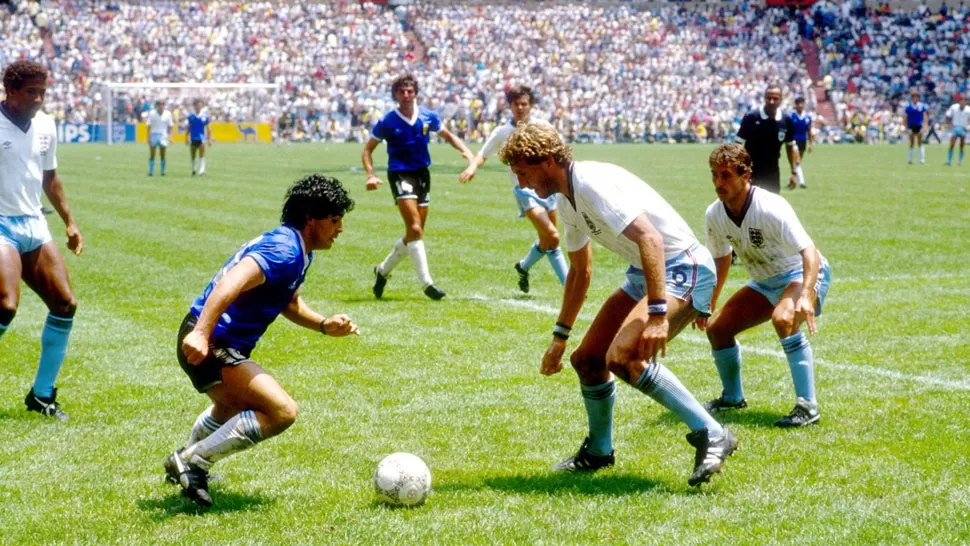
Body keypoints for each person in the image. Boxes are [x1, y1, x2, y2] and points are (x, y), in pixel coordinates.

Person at [499, 122, 736, 486]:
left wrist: (658, 314)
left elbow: (651, 239)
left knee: (625, 357)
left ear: (547, 161)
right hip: (646, 273)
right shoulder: (566, 200)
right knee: (588, 360)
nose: (522, 184)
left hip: (682, 266)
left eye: (523, 172)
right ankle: (598, 452)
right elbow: (580, 272)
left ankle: (712, 433)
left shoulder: (591, 183)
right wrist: (560, 339)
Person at [164, 174, 359, 507]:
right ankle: (194, 462)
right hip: (211, 340)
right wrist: (201, 333)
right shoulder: (284, 249)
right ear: (311, 218)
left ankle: (182, 462)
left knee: (229, 407)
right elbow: (232, 283)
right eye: (335, 220)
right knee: (282, 411)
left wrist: (325, 325)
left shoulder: (298, 250)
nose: (339, 229)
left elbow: (289, 303)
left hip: (211, 337)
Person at [698, 143, 831, 427]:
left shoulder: (770, 207)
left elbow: (810, 253)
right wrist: (709, 302)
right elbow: (721, 260)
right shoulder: (715, 214)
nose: (718, 183)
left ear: (746, 176)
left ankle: (808, 407)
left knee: (783, 319)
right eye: (714, 175)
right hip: (766, 281)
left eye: (726, 175)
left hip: (801, 272)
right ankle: (733, 397)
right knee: (718, 328)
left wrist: (806, 295)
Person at [0, 60, 83, 420]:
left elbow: (50, 178)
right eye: (31, 91)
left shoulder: (46, 124)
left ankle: (42, 394)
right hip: (1, 223)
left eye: (42, 92)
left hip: (34, 222)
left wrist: (69, 222)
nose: (38, 98)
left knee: (65, 304)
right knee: (5, 304)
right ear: (11, 90)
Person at [362, 73, 475, 301]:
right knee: (414, 228)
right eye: (401, 91)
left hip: (423, 174)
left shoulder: (427, 116)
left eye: (409, 91)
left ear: (415, 93)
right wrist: (371, 175)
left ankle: (382, 271)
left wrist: (467, 152)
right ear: (395, 94)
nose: (406, 95)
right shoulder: (388, 121)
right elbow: (367, 150)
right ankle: (427, 284)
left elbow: (448, 135)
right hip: (399, 173)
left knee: (415, 233)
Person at [458, 85, 568, 293]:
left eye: (524, 103)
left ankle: (524, 266)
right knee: (553, 236)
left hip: (548, 189)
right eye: (516, 104)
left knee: (548, 239)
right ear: (509, 106)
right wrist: (472, 167)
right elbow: (482, 154)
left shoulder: (542, 126)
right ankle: (569, 285)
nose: (520, 107)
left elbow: (561, 150)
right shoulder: (503, 132)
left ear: (531, 106)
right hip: (525, 191)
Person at [736, 85, 800, 193]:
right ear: (764, 98)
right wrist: (737, 168)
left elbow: (790, 146)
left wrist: (794, 172)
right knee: (748, 204)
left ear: (781, 100)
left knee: (772, 205)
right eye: (768, 98)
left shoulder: (786, 120)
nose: (771, 101)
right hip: (750, 169)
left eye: (775, 98)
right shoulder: (751, 117)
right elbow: (738, 144)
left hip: (772, 171)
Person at [790, 97, 812, 188]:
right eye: (798, 103)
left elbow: (809, 131)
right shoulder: (792, 116)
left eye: (801, 103)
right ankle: (802, 182)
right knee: (797, 161)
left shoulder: (808, 117)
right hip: (794, 141)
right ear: (796, 105)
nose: (800, 105)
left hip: (803, 141)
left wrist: (810, 143)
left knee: (796, 163)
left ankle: (792, 179)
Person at [148, 99, 173, 176]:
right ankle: (151, 171)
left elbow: (170, 126)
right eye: (159, 105)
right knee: (152, 154)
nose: (161, 106)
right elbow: (149, 126)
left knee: (163, 154)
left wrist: (171, 136)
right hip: (154, 134)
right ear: (157, 106)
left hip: (163, 135)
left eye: (162, 104)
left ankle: (163, 171)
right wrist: (148, 137)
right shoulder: (152, 114)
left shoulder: (168, 114)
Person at [186, 99, 211, 176]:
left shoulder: (205, 116)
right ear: (194, 106)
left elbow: (208, 128)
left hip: (202, 138)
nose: (198, 107)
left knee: (202, 154)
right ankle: (194, 169)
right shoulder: (191, 116)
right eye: (197, 105)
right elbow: (189, 127)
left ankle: (202, 171)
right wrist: (186, 137)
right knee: (193, 155)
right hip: (193, 137)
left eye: (200, 105)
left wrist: (209, 139)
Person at [905, 91, 928, 165]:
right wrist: (905, 127)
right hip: (911, 125)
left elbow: (925, 116)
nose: (915, 98)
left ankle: (922, 160)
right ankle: (910, 160)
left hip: (919, 125)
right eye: (914, 97)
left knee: (920, 142)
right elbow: (905, 118)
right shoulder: (908, 107)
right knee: (911, 142)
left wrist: (925, 125)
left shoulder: (921, 106)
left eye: (917, 97)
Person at [945, 95, 969, 166]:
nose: (962, 102)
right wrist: (949, 125)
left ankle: (959, 161)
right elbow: (948, 116)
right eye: (961, 100)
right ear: (959, 101)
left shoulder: (968, 109)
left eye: (964, 100)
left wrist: (968, 126)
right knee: (952, 144)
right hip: (955, 128)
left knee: (962, 145)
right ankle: (948, 161)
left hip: (963, 128)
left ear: (966, 102)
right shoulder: (953, 107)